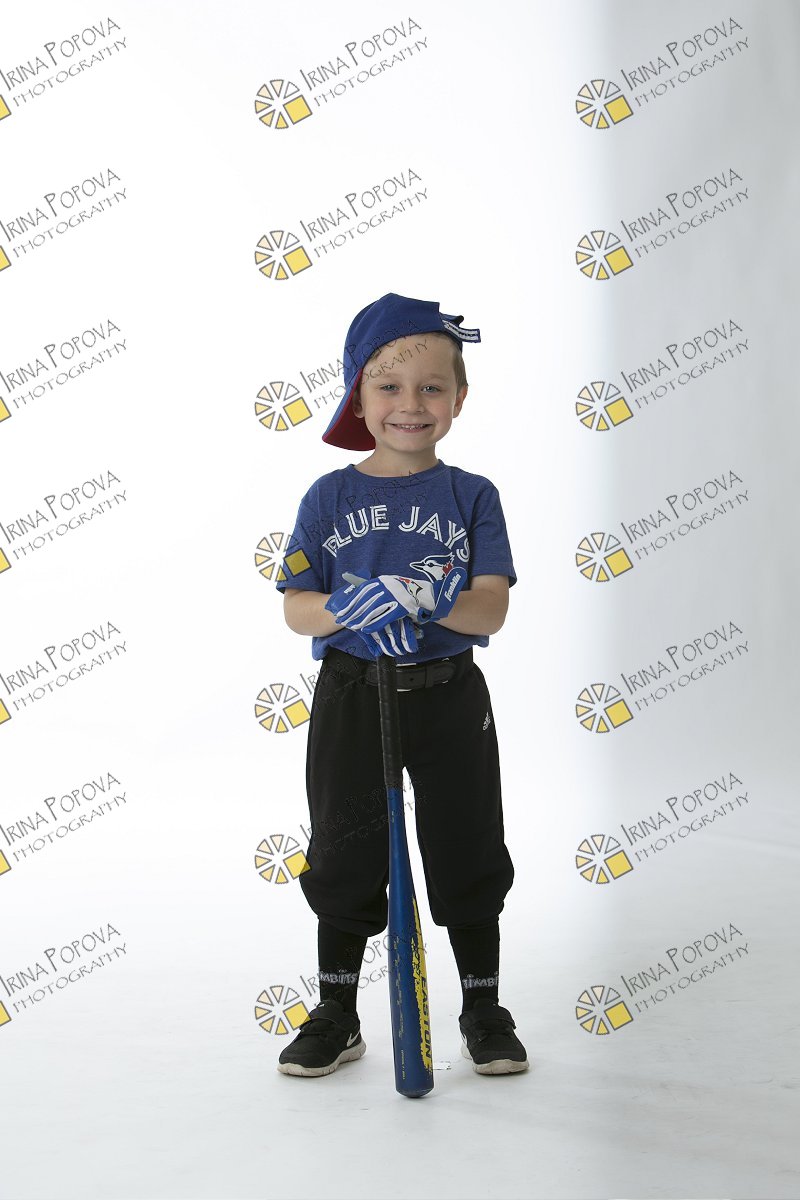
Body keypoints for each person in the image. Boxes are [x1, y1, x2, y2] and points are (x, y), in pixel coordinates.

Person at [274, 292, 528, 1079]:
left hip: (449, 694)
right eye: (388, 386)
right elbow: (296, 604)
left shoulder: (472, 495)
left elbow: (492, 606)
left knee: (466, 845)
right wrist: (343, 608)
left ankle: (482, 1006)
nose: (411, 404)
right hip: (353, 694)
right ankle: (337, 1010)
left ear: (459, 398)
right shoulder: (328, 497)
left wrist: (424, 597)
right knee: (344, 850)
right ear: (359, 397)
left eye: (431, 387)